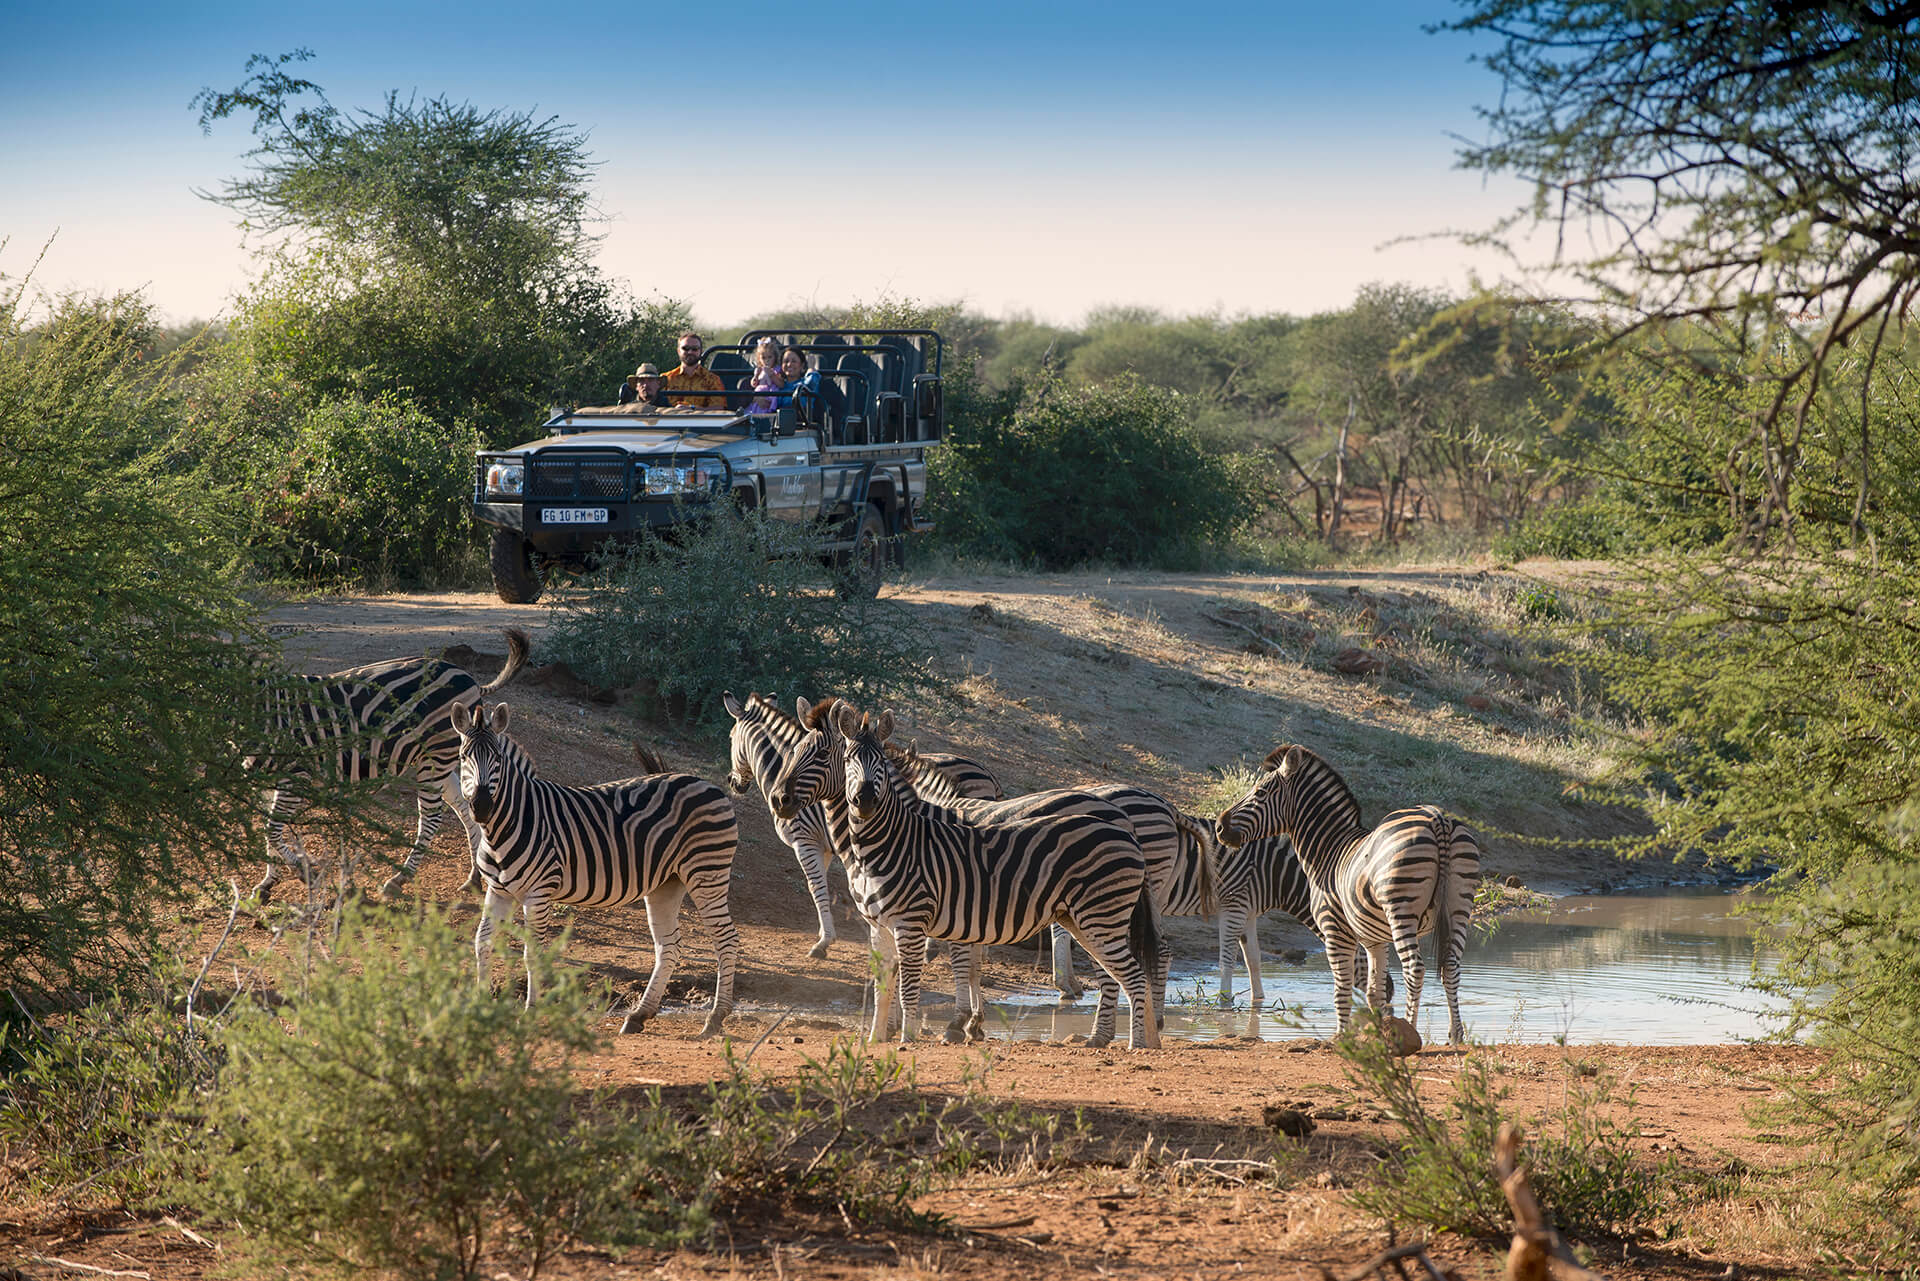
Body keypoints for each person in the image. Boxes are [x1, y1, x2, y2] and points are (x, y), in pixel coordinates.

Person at [663, 332, 725, 409]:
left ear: (701, 351)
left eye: (694, 349)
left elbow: (718, 408)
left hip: (702, 420)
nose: (690, 352)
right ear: (678, 351)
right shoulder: (665, 378)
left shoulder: (712, 380)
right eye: (685, 348)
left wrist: (692, 409)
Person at [746, 337, 784, 414]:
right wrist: (755, 377)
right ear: (759, 359)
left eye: (770, 357)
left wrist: (772, 375)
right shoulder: (759, 370)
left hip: (770, 394)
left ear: (775, 357)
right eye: (763, 358)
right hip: (758, 395)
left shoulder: (777, 369)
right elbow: (754, 384)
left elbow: (781, 384)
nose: (767, 360)